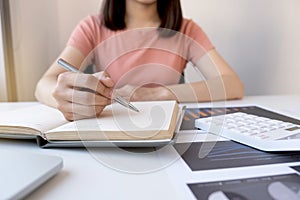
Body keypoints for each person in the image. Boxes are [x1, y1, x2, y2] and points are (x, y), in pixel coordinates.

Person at [35, 0, 244, 121]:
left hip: (168, 134)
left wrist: (156, 93)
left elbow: (232, 85)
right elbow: (44, 84)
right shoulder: (92, 27)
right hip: (111, 133)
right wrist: (68, 100)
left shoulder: (187, 30)